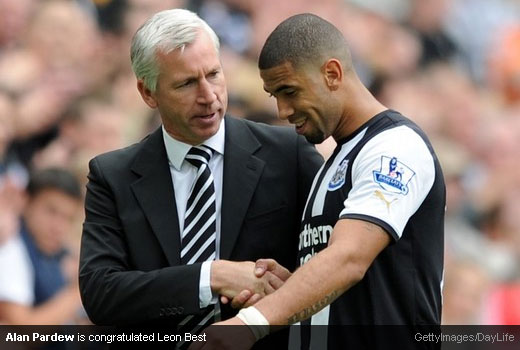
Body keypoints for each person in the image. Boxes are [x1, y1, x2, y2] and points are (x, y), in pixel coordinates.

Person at [78, 8, 322, 349]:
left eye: (214, 74)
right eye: (186, 83)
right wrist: (213, 276)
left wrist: (289, 286)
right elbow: (101, 294)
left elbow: (333, 257)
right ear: (148, 93)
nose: (208, 96)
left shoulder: (287, 154)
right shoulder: (112, 176)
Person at [201, 13, 445, 350]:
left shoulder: (394, 148)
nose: (284, 110)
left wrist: (250, 323)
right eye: (275, 96)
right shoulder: (334, 163)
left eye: (289, 91)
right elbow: (350, 280)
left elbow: (349, 259)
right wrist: (290, 284)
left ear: (332, 73)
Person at [0, 167, 84, 324]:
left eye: (68, 219)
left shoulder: (58, 252)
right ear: (26, 201)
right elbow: (22, 332)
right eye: (51, 211)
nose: (59, 227)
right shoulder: (9, 248)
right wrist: (79, 290)